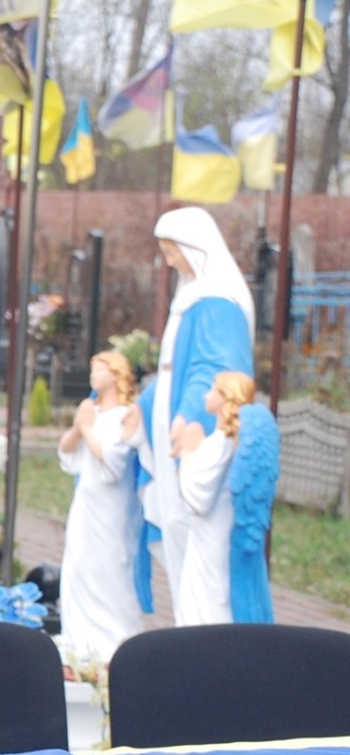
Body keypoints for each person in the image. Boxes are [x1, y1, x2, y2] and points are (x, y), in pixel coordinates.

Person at [139, 207, 255, 611]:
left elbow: (215, 369)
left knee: (190, 523)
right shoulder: (190, 297)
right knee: (174, 522)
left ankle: (201, 626)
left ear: (196, 249)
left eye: (173, 251)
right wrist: (147, 404)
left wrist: (187, 415)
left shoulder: (217, 303)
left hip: (190, 425)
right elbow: (171, 368)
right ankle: (187, 622)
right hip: (170, 415)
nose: (169, 261)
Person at [57, 351, 147, 665]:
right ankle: (79, 637)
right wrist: (78, 428)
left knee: (110, 564)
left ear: (115, 374)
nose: (93, 374)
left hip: (113, 508)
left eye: (99, 369)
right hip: (86, 501)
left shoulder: (126, 414)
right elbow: (68, 453)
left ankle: (112, 637)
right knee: (79, 562)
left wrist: (86, 429)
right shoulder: (91, 411)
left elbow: (112, 463)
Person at [170, 371, 279, 627]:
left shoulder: (220, 443)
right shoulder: (227, 442)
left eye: (212, 390)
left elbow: (197, 499)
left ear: (224, 398)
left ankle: (207, 648)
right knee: (210, 592)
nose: (206, 395)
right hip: (213, 533)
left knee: (209, 595)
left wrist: (187, 452)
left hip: (212, 536)